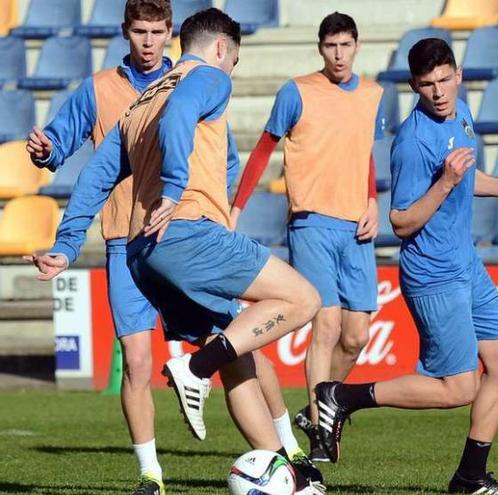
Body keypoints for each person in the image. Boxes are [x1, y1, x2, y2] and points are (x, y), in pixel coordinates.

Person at [26, 8, 324, 494]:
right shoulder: (207, 77)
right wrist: (174, 187)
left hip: (142, 253)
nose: (232, 71)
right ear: (223, 49)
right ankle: (193, 369)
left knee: (236, 351)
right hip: (186, 233)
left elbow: (97, 176)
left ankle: (282, 472)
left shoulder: (141, 102)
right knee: (303, 299)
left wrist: (66, 244)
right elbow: (186, 108)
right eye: (235, 60)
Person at [312, 38, 498, 494]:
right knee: (459, 388)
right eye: (426, 85)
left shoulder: (461, 112)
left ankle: (470, 479)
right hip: (433, 273)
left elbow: (468, 180)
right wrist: (446, 181)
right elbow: (400, 221)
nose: (437, 92)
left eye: (443, 80)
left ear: (458, 76)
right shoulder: (414, 142)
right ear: (415, 86)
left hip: (465, 263)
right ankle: (342, 396)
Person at [25, 3, 174, 493]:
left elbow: (222, 158)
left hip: (183, 235)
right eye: (140, 31)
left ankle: (284, 450)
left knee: (230, 347)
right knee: (136, 360)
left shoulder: (190, 82)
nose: (149, 41)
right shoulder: (98, 87)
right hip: (121, 239)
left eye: (157, 31)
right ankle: (150, 473)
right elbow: (60, 141)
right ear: (125, 32)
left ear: (170, 32)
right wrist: (47, 149)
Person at [229, 11, 384, 462]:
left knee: (356, 336)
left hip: (357, 226)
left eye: (345, 45)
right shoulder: (297, 91)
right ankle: (320, 427)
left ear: (357, 45)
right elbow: (263, 148)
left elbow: (364, 153)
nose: (338, 54)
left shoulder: (373, 93)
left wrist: (372, 200)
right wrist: (237, 208)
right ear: (321, 48)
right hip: (312, 220)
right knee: (328, 325)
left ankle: (321, 407)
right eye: (330, 46)